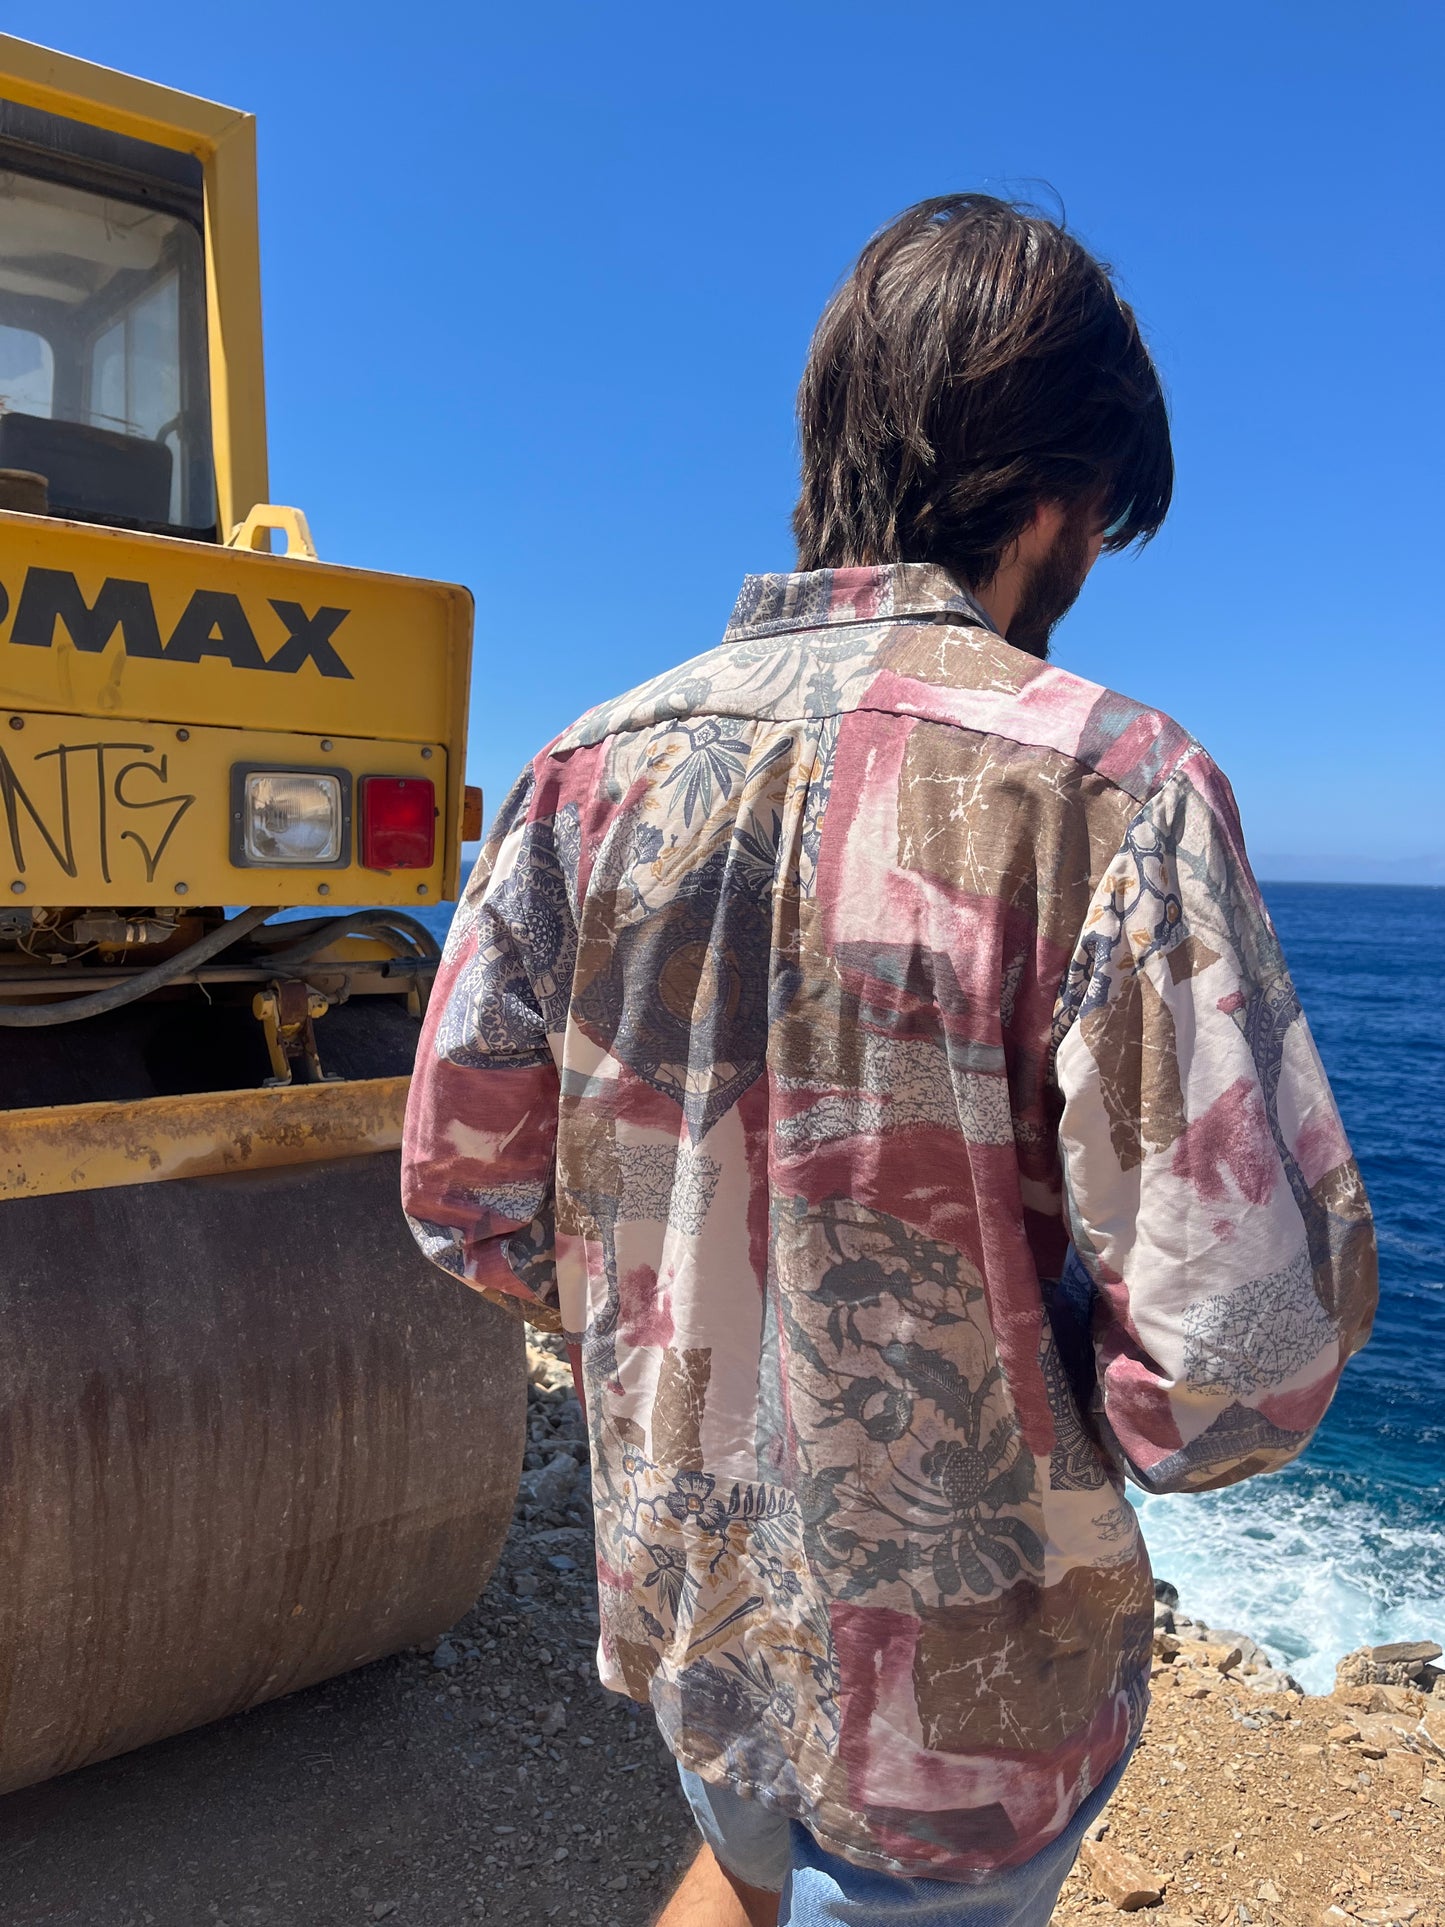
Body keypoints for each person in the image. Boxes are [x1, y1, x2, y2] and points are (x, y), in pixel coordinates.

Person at [401, 194, 1377, 1927]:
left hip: (698, 1605)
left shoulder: (578, 775)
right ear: (1059, 503)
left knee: (745, 1859)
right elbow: (1233, 1369)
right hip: (965, 1701)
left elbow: (468, 1205)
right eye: (1096, 530)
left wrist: (691, 1311)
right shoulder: (1110, 788)